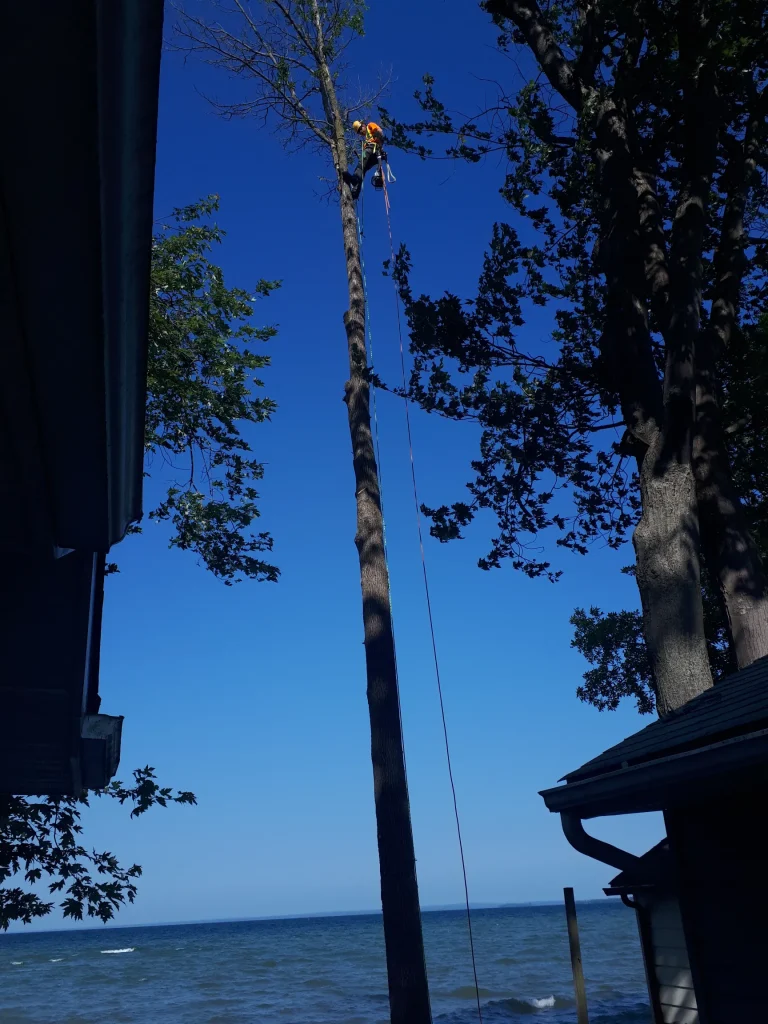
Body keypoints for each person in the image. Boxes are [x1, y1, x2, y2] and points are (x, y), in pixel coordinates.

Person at [343, 120, 386, 199]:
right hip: (373, 154)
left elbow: (380, 131)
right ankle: (356, 192)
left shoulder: (370, 125)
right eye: (359, 132)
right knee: (363, 170)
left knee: (360, 165)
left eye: (360, 129)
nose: (360, 132)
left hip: (372, 148)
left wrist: (379, 143)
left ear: (363, 125)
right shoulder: (366, 139)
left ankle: (355, 179)